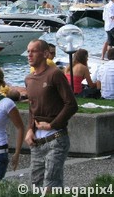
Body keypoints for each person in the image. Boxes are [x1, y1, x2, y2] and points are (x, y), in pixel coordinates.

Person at [25, 39, 78, 190]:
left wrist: (52, 125)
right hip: (37, 142)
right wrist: (29, 129)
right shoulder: (29, 79)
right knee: (36, 184)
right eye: (28, 51)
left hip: (56, 139)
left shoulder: (55, 74)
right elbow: (31, 106)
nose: (29, 55)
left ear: (45, 54)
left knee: (51, 185)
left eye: (33, 51)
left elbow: (72, 104)